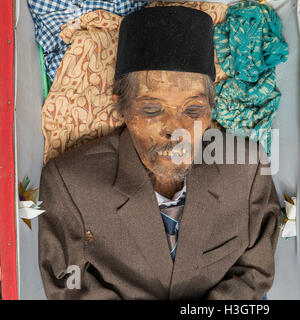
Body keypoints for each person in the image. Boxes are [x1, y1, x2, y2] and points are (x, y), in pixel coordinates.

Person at [38, 6, 281, 300]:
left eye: (193, 110)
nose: (176, 130)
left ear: (210, 109)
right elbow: (68, 284)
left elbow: (256, 272)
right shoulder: (69, 183)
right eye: (152, 109)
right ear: (122, 106)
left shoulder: (247, 170)